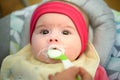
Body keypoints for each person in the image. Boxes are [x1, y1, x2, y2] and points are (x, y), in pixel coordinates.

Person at [0, 0, 108, 80]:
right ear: (31, 41)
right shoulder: (18, 64)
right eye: (44, 32)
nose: (53, 38)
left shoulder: (91, 71)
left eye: (65, 32)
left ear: (83, 43)